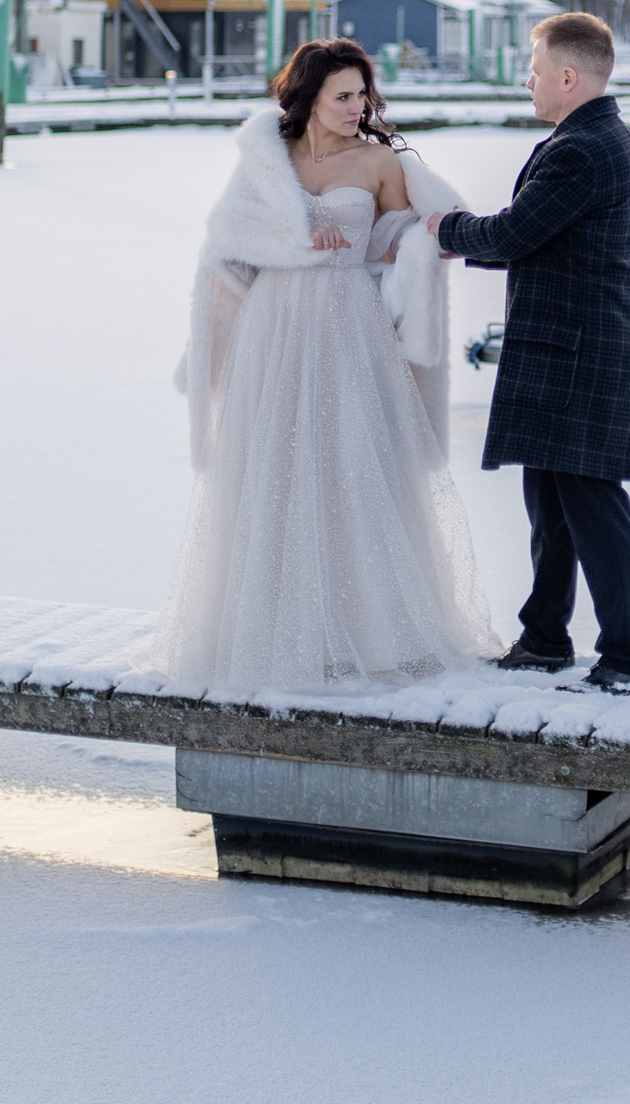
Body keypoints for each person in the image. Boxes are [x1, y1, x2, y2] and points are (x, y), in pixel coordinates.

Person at [153, 39, 503, 692]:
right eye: (342, 95)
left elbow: (400, 240)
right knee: (272, 468)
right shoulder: (268, 159)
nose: (356, 107)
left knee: (348, 466)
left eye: (362, 95)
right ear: (309, 96)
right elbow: (228, 239)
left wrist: (422, 240)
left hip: (348, 328)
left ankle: (368, 632)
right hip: (271, 329)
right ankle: (269, 631)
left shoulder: (378, 161)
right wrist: (295, 237)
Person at [425, 12, 630, 694]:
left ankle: (628, 657)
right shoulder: (600, 140)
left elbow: (515, 232)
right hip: (574, 347)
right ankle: (546, 637)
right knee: (551, 503)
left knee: (591, 503)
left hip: (577, 354)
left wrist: (446, 230)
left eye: (535, 69)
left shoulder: (582, 150)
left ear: (568, 76)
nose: (527, 81)